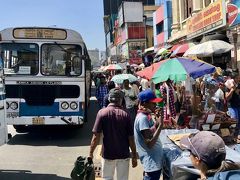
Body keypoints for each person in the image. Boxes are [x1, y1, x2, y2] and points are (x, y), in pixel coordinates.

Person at [89, 88, 138, 180]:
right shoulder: (126, 114)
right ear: (121, 100)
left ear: (109, 99)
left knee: (107, 178)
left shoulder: (102, 113)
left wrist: (91, 153)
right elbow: (131, 138)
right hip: (123, 154)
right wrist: (134, 156)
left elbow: (96, 136)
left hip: (108, 154)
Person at [134, 89, 164, 180]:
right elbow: (149, 143)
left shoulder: (147, 115)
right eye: (153, 103)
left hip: (153, 163)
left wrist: (157, 122)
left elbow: (150, 132)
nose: (155, 105)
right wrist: (160, 126)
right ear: (144, 103)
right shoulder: (142, 118)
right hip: (152, 164)